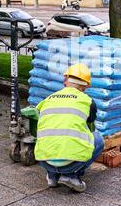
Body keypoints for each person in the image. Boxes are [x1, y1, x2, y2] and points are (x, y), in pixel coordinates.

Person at [34, 63, 104, 192]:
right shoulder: (87, 101)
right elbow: (91, 124)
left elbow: (39, 118)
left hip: (43, 159)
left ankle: (52, 176)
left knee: (52, 137)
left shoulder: (48, 99)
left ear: (65, 80)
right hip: (71, 163)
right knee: (98, 138)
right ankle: (70, 176)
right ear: (85, 86)